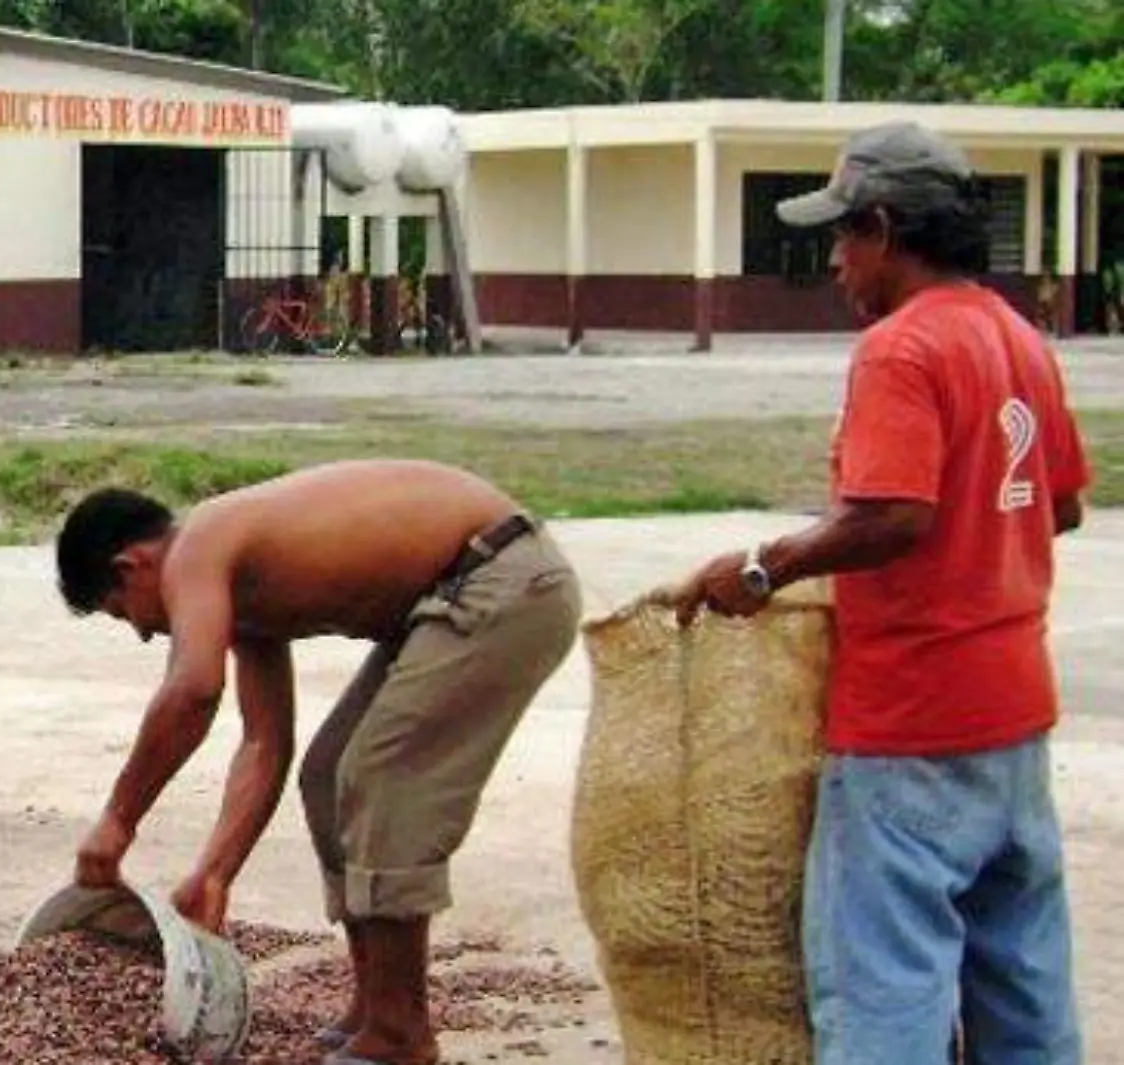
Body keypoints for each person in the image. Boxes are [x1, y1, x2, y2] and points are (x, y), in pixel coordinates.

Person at [667, 121, 1090, 1064]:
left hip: (911, 727)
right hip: (1014, 718)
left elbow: (894, 516)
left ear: (887, 229)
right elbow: (1059, 506)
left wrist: (762, 567)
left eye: (842, 235)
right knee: (1024, 992)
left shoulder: (902, 350)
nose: (834, 261)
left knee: (882, 996)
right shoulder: (1019, 338)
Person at [55, 459, 582, 1065]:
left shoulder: (199, 545)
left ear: (131, 566)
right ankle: (374, 1003)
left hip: (504, 577)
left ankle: (400, 1031)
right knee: (329, 776)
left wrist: (119, 818)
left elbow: (194, 689)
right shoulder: (241, 591)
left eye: (125, 614)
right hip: (456, 592)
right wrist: (216, 873)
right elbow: (264, 744)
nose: (145, 633)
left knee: (385, 775)